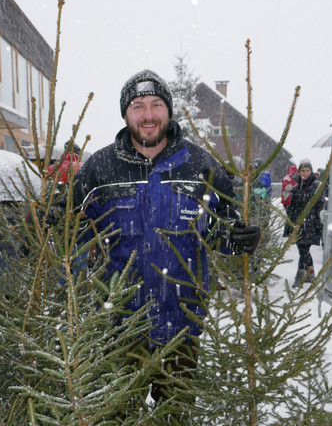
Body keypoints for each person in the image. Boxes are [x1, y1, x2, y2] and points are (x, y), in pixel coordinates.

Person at [72, 69, 260, 347]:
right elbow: (70, 231)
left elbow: (223, 228)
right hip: (117, 331)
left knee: (177, 392)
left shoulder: (201, 166)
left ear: (168, 111)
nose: (148, 115)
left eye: (156, 105)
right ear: (125, 115)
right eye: (138, 107)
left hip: (182, 328)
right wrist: (42, 226)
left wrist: (240, 239)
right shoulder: (99, 170)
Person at [287, 159, 324, 287]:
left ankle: (300, 276)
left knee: (303, 250)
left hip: (311, 223)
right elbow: (292, 206)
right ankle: (311, 274)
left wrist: (318, 223)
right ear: (299, 172)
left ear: (311, 171)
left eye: (307, 170)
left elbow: (320, 205)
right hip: (298, 224)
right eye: (302, 170)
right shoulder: (297, 187)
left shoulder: (316, 186)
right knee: (303, 250)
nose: (305, 173)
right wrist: (290, 220)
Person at [281, 164, 298, 236]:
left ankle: (288, 232)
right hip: (287, 201)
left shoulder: (293, 178)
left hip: (290, 201)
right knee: (290, 217)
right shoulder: (287, 179)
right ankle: (287, 232)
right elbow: (287, 188)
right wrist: (296, 184)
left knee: (290, 217)